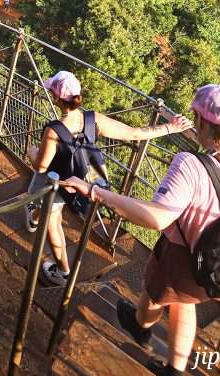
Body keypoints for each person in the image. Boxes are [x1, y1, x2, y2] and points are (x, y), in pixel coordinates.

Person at [62, 84, 220, 376]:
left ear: (201, 123)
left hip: (180, 259)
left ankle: (141, 327)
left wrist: (96, 192)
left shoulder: (190, 165)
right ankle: (174, 371)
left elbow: (158, 217)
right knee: (184, 304)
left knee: (155, 295)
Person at [26, 70, 193, 286]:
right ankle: (38, 222)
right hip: (86, 178)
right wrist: (170, 127)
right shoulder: (92, 119)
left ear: (56, 98)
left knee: (52, 221)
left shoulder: (54, 130)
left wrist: (31, 151)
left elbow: (41, 166)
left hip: (59, 180)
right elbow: (134, 133)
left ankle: (63, 270)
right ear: (79, 96)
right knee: (47, 213)